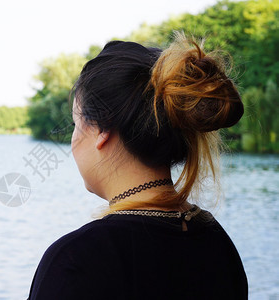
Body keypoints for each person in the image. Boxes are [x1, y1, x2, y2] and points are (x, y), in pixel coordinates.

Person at [27, 32, 248, 299]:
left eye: (76, 123)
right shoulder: (217, 243)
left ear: (102, 131)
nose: (73, 139)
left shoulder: (77, 260)